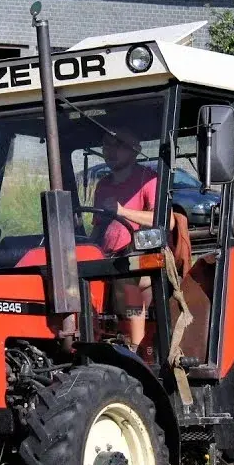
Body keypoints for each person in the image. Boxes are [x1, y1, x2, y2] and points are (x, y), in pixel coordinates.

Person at [92, 127, 158, 352]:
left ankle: (136, 346)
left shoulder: (147, 179)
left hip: (140, 258)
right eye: (106, 145)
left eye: (118, 145)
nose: (110, 151)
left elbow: (164, 220)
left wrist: (123, 211)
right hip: (107, 258)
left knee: (128, 281)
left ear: (135, 151)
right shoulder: (103, 185)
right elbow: (98, 227)